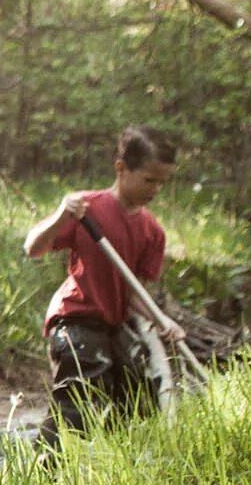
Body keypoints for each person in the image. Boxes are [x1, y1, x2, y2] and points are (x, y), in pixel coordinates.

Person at [23, 125, 187, 444]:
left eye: (163, 182)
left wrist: (161, 319)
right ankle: (45, 471)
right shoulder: (87, 208)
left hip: (113, 325)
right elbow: (33, 248)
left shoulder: (152, 231)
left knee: (135, 395)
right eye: (149, 180)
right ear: (121, 169)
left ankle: (103, 473)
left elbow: (132, 293)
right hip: (75, 319)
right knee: (81, 397)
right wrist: (60, 217)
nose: (155, 189)